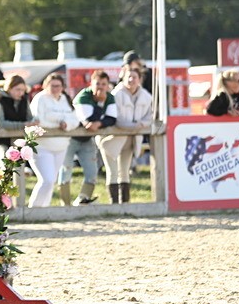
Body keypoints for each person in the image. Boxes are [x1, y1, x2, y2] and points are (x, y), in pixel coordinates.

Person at [98, 66, 153, 204]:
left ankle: (125, 204)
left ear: (140, 79)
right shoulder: (115, 95)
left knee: (125, 171)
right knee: (112, 172)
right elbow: (118, 120)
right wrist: (135, 126)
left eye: (134, 77)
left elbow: (150, 116)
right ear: (122, 78)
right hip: (112, 138)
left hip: (131, 140)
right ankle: (114, 205)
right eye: (128, 76)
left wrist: (141, 125)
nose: (131, 79)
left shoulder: (146, 96)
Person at [65, 70, 116, 205]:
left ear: (107, 85)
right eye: (97, 83)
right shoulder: (84, 97)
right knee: (66, 171)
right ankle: (65, 204)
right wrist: (100, 104)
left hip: (87, 139)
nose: (100, 87)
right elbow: (88, 120)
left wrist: (100, 123)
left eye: (103, 84)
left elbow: (112, 119)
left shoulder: (109, 97)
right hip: (71, 138)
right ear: (91, 84)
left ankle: (82, 200)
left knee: (92, 172)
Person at [28, 73, 77, 208]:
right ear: (46, 85)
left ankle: (45, 209)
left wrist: (67, 124)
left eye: (58, 86)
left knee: (52, 180)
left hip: (61, 146)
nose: (55, 88)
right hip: (42, 146)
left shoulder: (65, 99)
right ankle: (34, 209)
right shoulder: (40, 99)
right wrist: (58, 123)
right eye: (52, 85)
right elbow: (38, 120)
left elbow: (75, 119)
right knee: (47, 180)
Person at [0, 75, 33, 169]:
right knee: (5, 164)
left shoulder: (24, 101)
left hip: (18, 141)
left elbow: (29, 118)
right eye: (17, 89)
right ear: (9, 88)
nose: (21, 93)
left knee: (18, 169)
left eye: (23, 90)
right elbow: (0, 124)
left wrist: (33, 123)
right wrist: (23, 125)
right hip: (0, 141)